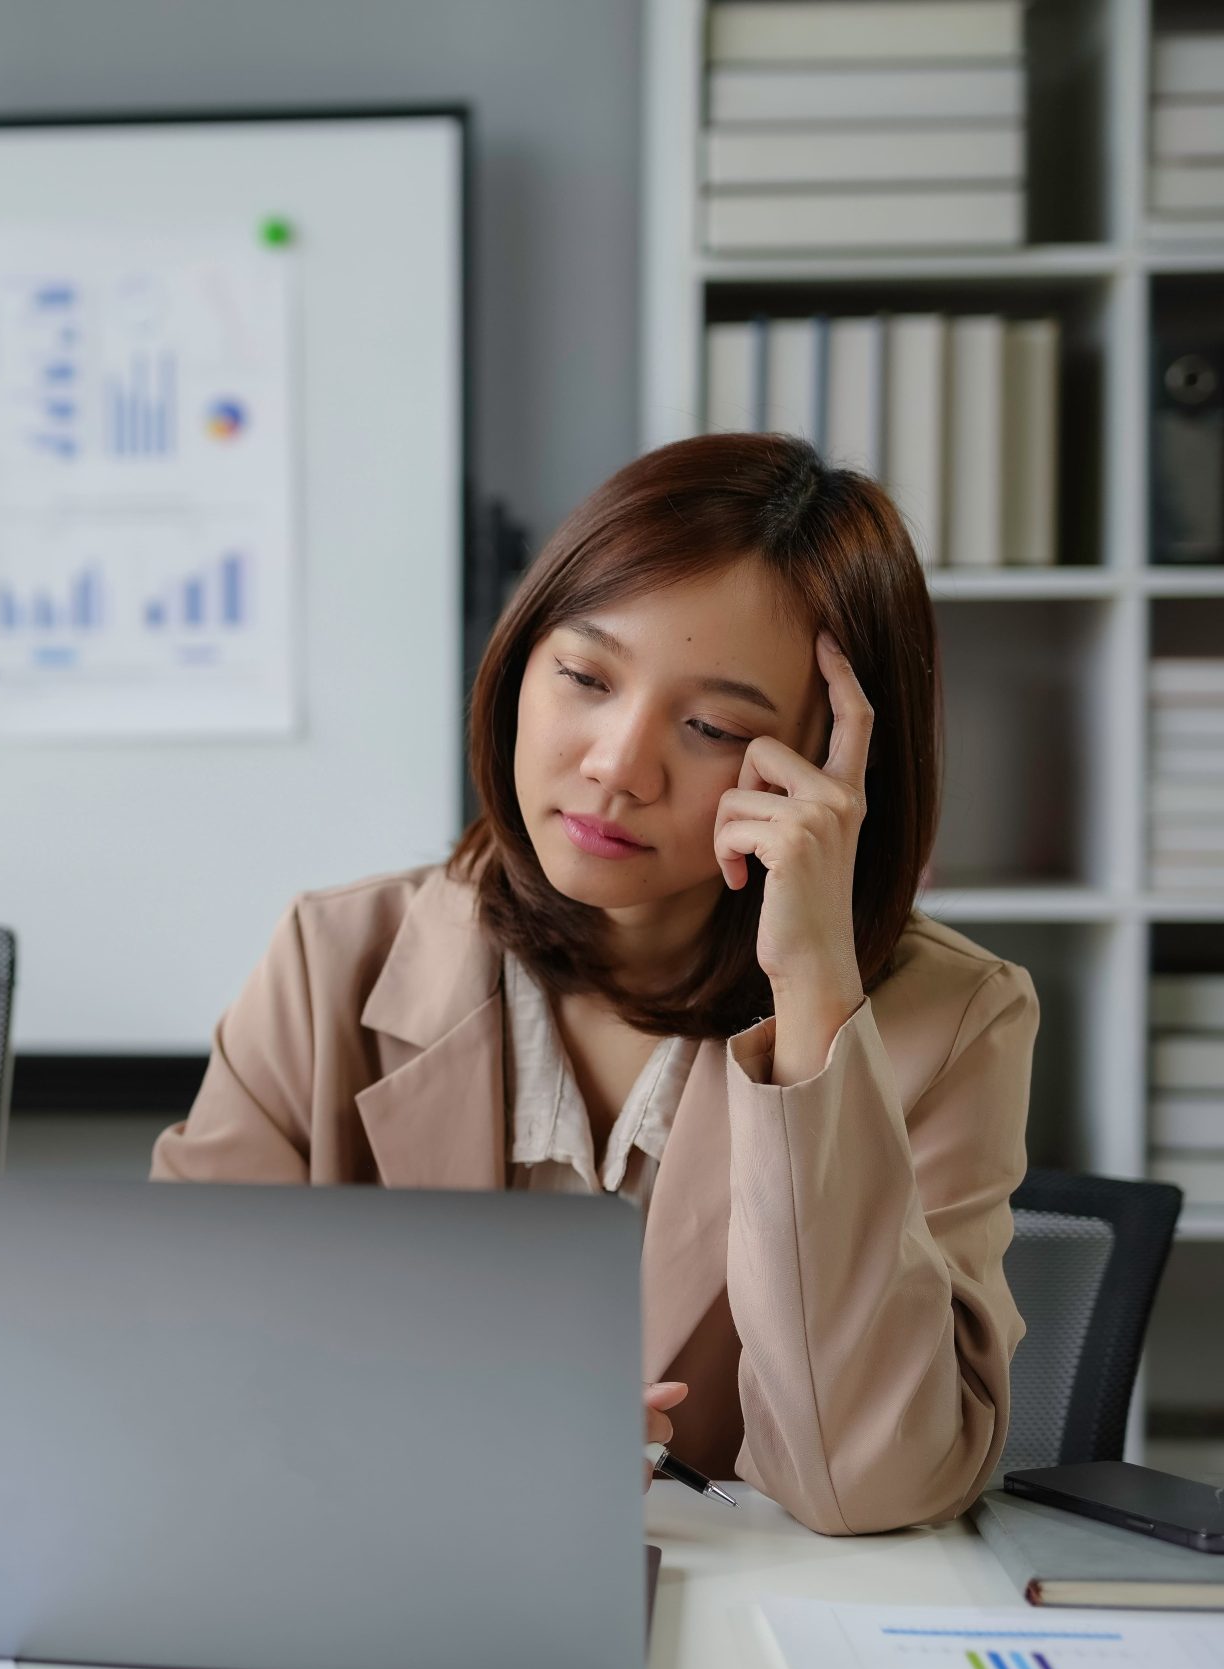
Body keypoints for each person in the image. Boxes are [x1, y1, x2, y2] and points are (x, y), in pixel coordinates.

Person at [154, 433, 1032, 1536]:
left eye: (712, 726)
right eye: (584, 676)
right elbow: (176, 1375)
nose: (619, 764)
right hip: (387, 1591)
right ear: (519, 663)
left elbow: (868, 1483)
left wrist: (812, 991)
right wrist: (449, 1435)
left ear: (830, 768)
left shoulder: (949, 1021)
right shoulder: (332, 961)